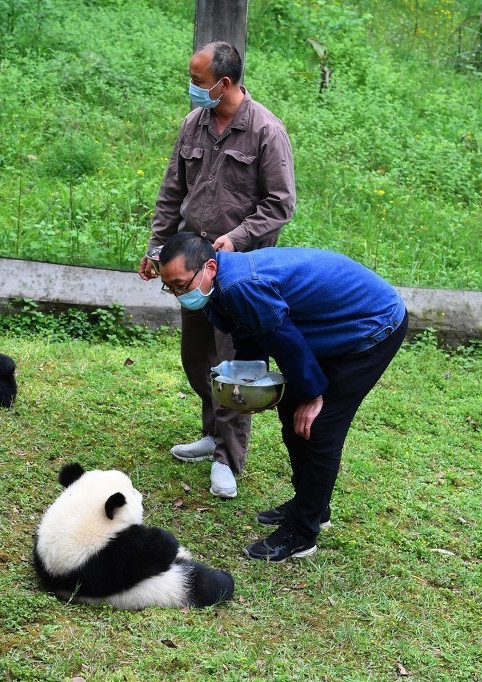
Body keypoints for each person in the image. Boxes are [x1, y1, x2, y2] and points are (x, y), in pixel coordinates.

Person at [157, 232, 408, 562]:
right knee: (291, 413)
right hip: (329, 328)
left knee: (318, 427)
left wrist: (315, 395)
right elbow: (250, 331)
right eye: (170, 287)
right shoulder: (217, 287)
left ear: (210, 267)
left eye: (180, 284)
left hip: (372, 326)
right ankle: (312, 505)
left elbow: (284, 338)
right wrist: (252, 382)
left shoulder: (238, 285)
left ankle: (302, 533)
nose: (178, 295)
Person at [138, 40, 295, 500]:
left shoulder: (266, 131)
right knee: (197, 358)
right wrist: (156, 249)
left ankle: (228, 457)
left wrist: (237, 238)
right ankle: (212, 432)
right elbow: (171, 194)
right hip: (189, 263)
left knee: (235, 365)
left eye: (198, 81)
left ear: (224, 84)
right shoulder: (193, 124)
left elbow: (280, 204)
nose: (191, 88)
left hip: (238, 269)